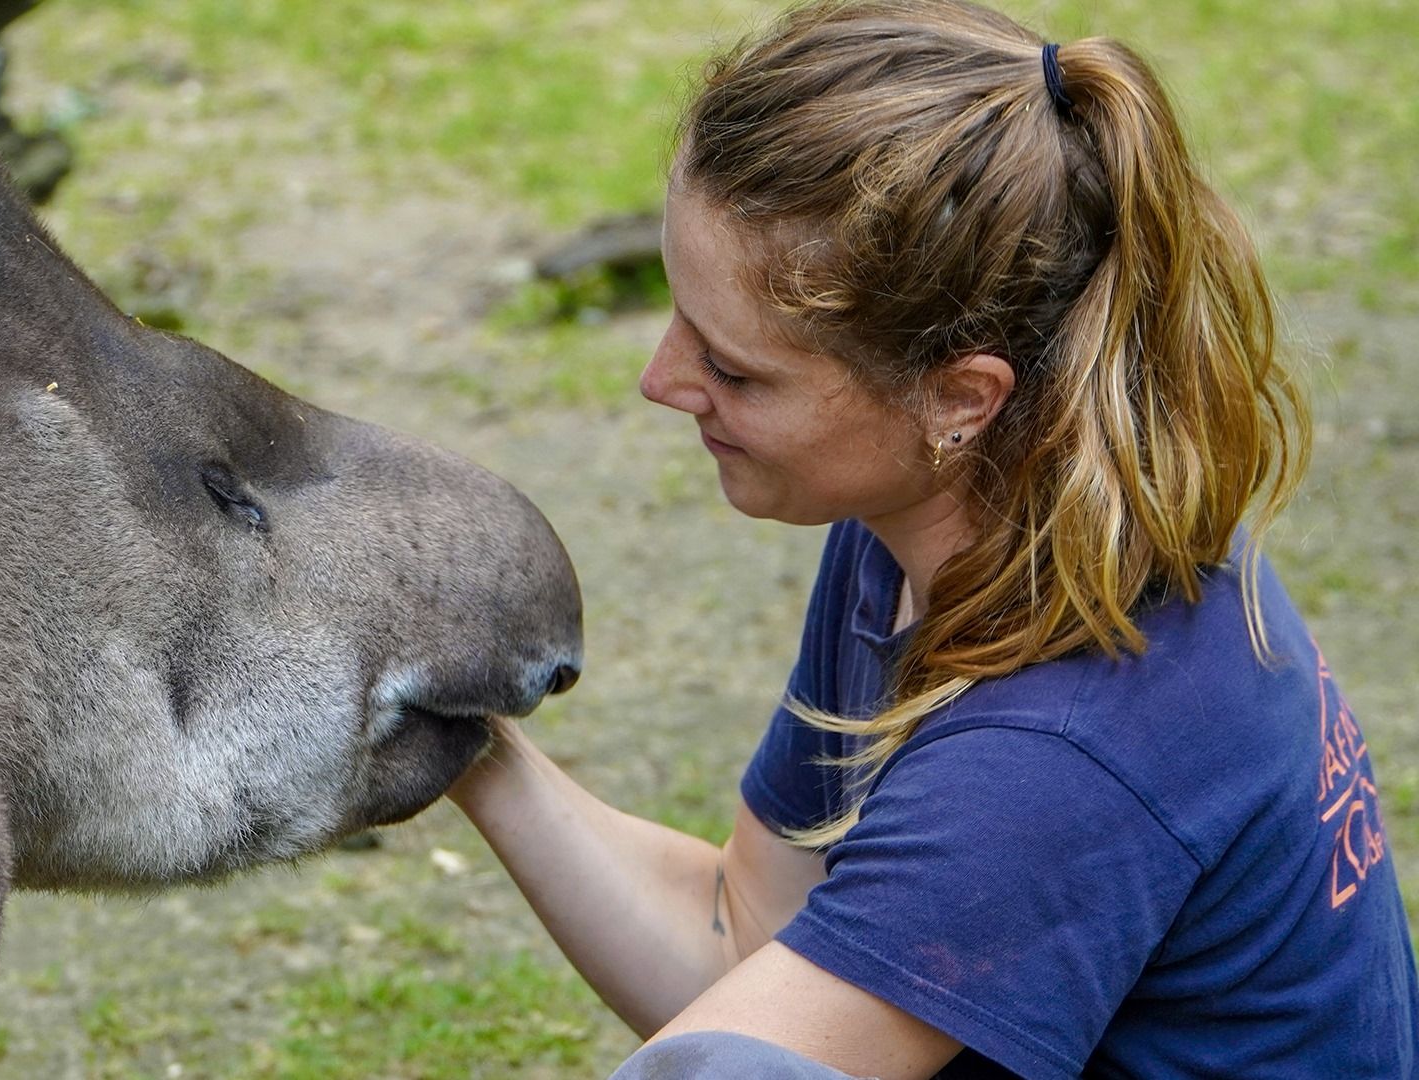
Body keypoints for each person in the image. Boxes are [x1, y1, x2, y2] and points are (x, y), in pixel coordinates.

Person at [446, 2, 1419, 1077]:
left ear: (959, 398)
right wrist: (469, 746)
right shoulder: (957, 517)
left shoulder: (1059, 751)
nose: (661, 382)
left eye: (734, 369)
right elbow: (749, 940)